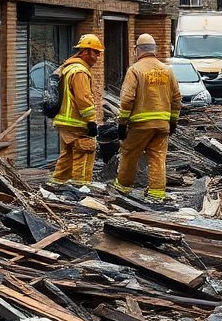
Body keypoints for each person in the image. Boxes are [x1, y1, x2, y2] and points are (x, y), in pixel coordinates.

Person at [112, 34, 181, 203]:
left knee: (129, 154)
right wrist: (173, 121)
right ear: (154, 50)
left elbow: (127, 99)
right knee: (158, 158)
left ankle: (123, 188)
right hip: (162, 125)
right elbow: (177, 98)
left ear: (138, 51)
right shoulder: (167, 70)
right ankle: (157, 195)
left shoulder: (135, 70)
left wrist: (122, 123)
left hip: (140, 125)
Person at [47, 34, 103, 192]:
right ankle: (80, 190)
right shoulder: (80, 71)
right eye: (96, 52)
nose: (97, 57)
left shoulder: (68, 67)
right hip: (77, 123)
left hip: (66, 122)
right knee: (83, 153)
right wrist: (91, 121)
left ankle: (56, 185)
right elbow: (83, 99)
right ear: (86, 52)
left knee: (67, 155)